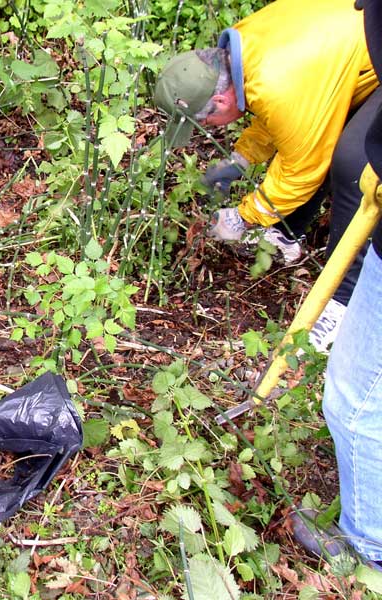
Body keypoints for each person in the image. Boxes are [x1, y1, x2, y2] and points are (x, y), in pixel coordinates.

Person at [153, 0, 381, 353]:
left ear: (220, 98)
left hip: (376, 49)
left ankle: (342, 301)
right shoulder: (244, 45)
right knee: (321, 134)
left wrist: (244, 217)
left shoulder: (279, 85)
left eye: (205, 122)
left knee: (353, 164)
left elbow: (302, 169)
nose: (206, 130)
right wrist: (241, 158)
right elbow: (278, 111)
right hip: (350, 46)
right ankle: (287, 236)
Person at [293, 0, 382, 569]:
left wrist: (252, 214)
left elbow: (301, 166)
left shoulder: (281, 84)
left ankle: (369, 550)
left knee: (354, 400)